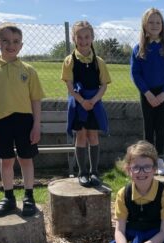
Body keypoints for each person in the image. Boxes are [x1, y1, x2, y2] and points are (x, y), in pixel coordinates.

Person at [0, 22, 45, 217]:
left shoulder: (29, 70)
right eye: (6, 41)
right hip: (0, 121)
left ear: (21, 45)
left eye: (16, 41)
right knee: (6, 160)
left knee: (26, 159)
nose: (11, 45)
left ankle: (29, 197)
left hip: (25, 121)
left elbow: (36, 100)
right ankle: (8, 197)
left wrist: (36, 125)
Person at [62, 20, 111, 187]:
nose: (83, 41)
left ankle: (94, 172)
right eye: (80, 37)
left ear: (92, 37)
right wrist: (82, 101)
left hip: (94, 102)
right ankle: (82, 172)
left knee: (93, 135)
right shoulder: (69, 61)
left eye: (87, 37)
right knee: (81, 135)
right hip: (78, 102)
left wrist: (93, 100)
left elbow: (103, 85)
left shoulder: (99, 62)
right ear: (74, 38)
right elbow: (69, 86)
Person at [130, 8, 164, 176]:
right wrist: (147, 93)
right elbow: (135, 73)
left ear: (162, 25)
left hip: (162, 94)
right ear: (145, 25)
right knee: (148, 128)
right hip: (147, 95)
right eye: (151, 22)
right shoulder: (139, 48)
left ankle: (160, 160)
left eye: (158, 22)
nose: (155, 25)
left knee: (160, 127)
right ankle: (148, 161)